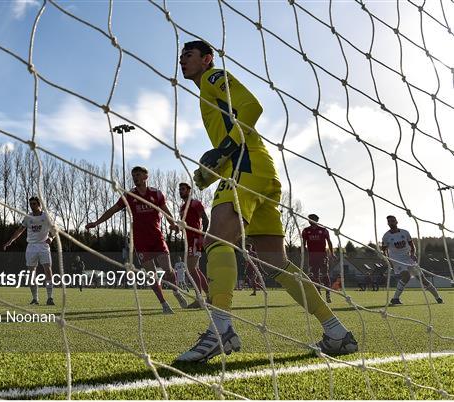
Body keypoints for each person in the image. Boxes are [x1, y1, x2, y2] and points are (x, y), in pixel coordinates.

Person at [176, 40, 357, 362]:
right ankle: (337, 333)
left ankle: (222, 330)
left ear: (206, 59)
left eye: (187, 55)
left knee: (217, 239)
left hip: (246, 165)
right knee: (276, 262)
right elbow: (236, 134)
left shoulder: (213, 77)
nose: (181, 60)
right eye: (180, 56)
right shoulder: (206, 90)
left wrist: (225, 150)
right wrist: (213, 170)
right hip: (256, 171)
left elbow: (253, 107)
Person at [85, 166, 187, 314]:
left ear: (146, 176)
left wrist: (173, 224)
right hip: (140, 241)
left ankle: (176, 292)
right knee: (151, 275)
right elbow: (113, 210)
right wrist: (96, 223)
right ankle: (164, 303)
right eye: (133, 175)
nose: (135, 177)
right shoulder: (129, 195)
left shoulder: (156, 194)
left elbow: (166, 212)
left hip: (157, 238)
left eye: (138, 175)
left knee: (169, 270)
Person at [3, 196, 56, 305]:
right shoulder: (28, 217)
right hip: (31, 247)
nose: (32, 206)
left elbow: (54, 230)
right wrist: (10, 241)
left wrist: (51, 238)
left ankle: (50, 298)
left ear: (39, 204)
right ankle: (35, 299)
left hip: (43, 246)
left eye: (34, 204)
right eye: (31, 204)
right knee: (31, 273)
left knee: (48, 269)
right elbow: (20, 230)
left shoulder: (46, 216)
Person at [381, 215, 443, 305]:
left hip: (408, 258)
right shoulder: (386, 236)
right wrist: (388, 260)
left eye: (393, 221)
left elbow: (411, 245)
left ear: (396, 221)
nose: (391, 222)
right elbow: (384, 250)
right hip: (397, 260)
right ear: (388, 223)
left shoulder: (405, 233)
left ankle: (438, 298)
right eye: (389, 221)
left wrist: (413, 254)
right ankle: (395, 298)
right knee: (406, 276)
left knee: (422, 279)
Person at [178, 182, 210, 308]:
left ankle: (199, 299)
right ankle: (209, 296)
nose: (181, 191)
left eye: (183, 189)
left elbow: (206, 220)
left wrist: (202, 235)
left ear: (189, 191)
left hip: (195, 239)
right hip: (188, 240)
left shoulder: (195, 203)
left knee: (191, 268)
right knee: (194, 269)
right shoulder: (182, 207)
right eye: (180, 189)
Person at [302, 214, 334, 303]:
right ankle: (318, 292)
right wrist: (303, 251)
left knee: (324, 274)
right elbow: (303, 243)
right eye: (309, 219)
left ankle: (328, 293)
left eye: (311, 219)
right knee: (314, 275)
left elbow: (329, 242)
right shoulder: (306, 231)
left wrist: (332, 253)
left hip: (322, 255)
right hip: (312, 256)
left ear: (316, 220)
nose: (310, 220)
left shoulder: (323, 230)